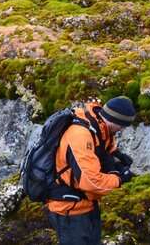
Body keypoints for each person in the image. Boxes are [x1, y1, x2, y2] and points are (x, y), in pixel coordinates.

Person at [46, 97, 136, 245]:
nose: (122, 130)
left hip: (87, 204)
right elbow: (91, 182)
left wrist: (117, 160)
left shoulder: (99, 127)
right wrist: (119, 179)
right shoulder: (81, 135)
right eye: (123, 126)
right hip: (69, 210)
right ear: (115, 121)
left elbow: (104, 151)